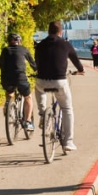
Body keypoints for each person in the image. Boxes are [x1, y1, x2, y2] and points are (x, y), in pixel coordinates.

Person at [35, 21, 85, 151]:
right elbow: (76, 61)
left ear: (48, 31)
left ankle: (42, 115)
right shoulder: (65, 44)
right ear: (60, 32)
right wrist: (80, 70)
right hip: (59, 81)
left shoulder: (39, 45)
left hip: (42, 80)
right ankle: (68, 141)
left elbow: (37, 63)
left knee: (39, 90)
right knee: (67, 109)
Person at [0, 33, 37, 131]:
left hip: (7, 79)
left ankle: (7, 105)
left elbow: (1, 64)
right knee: (28, 97)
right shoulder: (24, 50)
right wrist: (37, 72)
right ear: (19, 41)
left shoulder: (5, 50)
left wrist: (5, 73)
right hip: (21, 78)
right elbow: (33, 64)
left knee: (9, 92)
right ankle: (28, 121)